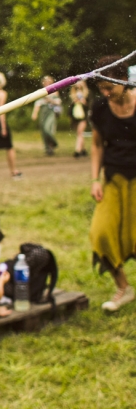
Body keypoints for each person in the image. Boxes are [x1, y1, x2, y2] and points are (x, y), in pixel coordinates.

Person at [89, 55, 136, 312]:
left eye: (110, 87)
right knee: (101, 233)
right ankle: (123, 287)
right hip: (113, 179)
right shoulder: (99, 107)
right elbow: (96, 145)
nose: (106, 93)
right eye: (101, 89)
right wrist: (95, 179)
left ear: (123, 81)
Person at [32, 75, 62, 156]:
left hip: (51, 112)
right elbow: (37, 103)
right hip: (43, 112)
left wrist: (48, 99)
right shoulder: (41, 91)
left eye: (48, 81)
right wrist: (35, 113)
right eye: (45, 82)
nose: (47, 83)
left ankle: (54, 143)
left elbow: (58, 102)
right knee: (43, 131)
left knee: (48, 129)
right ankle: (48, 148)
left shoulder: (55, 91)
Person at [70, 80, 89, 158]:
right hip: (75, 117)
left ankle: (77, 150)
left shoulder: (87, 94)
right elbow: (69, 108)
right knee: (79, 133)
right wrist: (74, 102)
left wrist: (84, 102)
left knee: (80, 132)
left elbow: (91, 105)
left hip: (83, 116)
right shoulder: (72, 95)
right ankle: (83, 150)